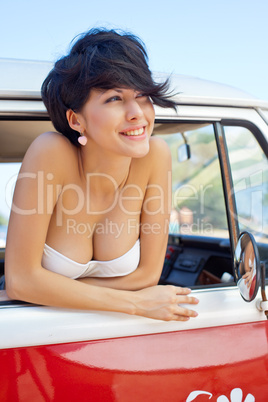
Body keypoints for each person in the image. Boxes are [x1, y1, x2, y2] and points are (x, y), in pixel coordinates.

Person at [5, 28, 199, 321]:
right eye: (114, 99)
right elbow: (20, 281)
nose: (137, 113)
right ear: (75, 119)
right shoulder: (52, 152)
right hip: (28, 329)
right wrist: (135, 304)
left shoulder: (155, 156)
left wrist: (50, 288)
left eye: (142, 96)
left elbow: (148, 275)